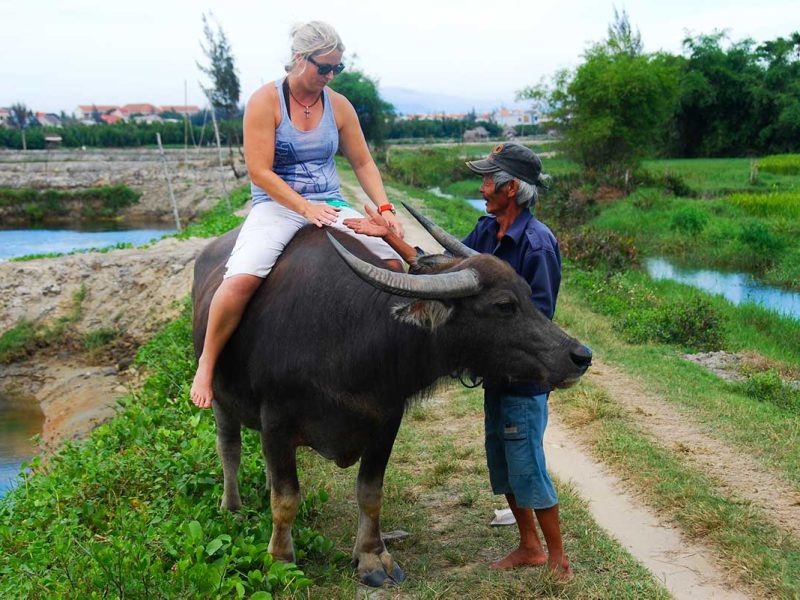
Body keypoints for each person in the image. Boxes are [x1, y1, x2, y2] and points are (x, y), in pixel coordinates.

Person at [344, 142, 572, 580]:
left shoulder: (538, 245)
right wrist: (387, 234)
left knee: (528, 464)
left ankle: (558, 558)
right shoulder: (488, 232)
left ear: (511, 188)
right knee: (503, 464)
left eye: (489, 179)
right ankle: (529, 546)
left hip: (522, 371)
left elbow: (538, 319)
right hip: (494, 370)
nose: (482, 186)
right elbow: (440, 272)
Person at [190, 21, 404, 409]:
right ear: (299, 59)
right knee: (240, 280)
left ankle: (378, 352)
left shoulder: (338, 104)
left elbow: (362, 161)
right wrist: (304, 208)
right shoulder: (265, 101)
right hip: (277, 206)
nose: (330, 75)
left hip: (331, 204)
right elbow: (259, 171)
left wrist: (385, 207)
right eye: (323, 67)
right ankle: (207, 361)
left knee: (389, 260)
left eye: (336, 68)